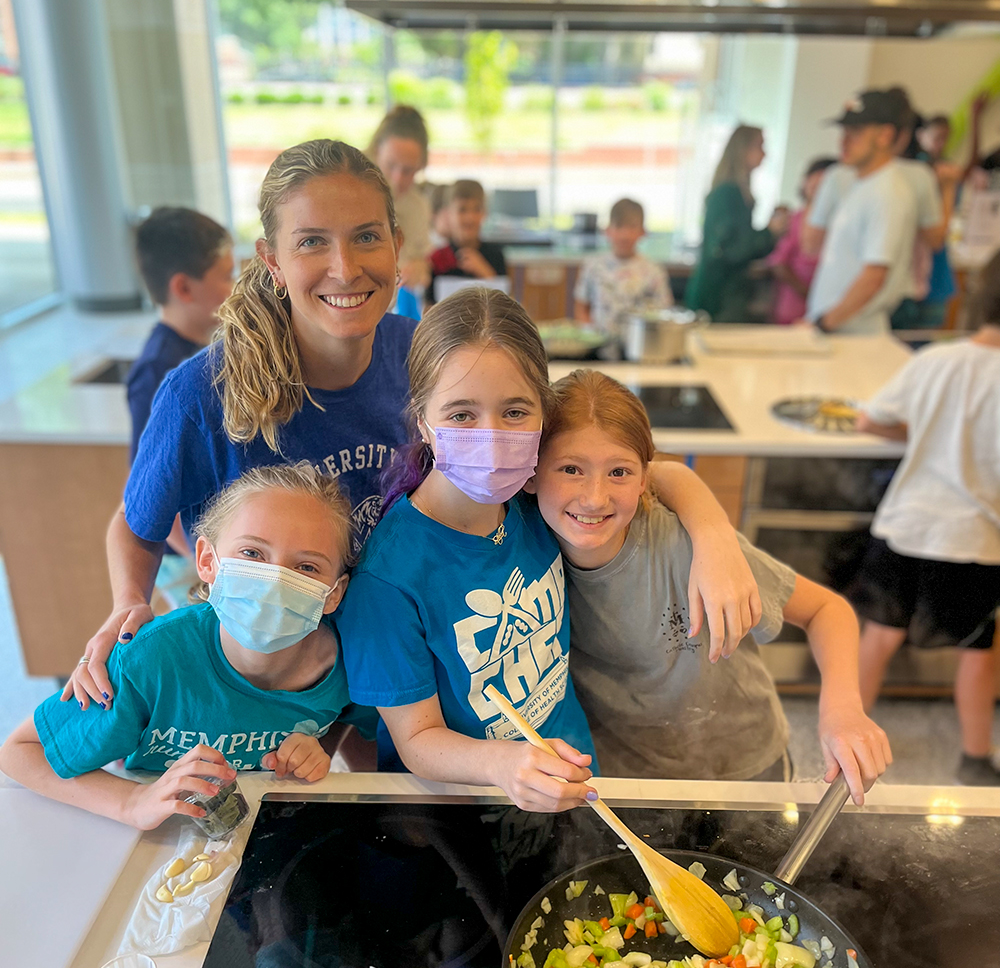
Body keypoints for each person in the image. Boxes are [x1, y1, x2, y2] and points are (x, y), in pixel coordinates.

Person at [336, 288, 766, 811]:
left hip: (578, 782)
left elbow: (657, 473)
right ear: (423, 419)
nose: (492, 439)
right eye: (462, 415)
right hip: (461, 815)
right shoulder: (388, 580)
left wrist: (714, 535)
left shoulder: (533, 501)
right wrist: (500, 763)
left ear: (544, 416)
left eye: (515, 412)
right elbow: (416, 740)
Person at [67, 139, 416, 712]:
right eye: (311, 242)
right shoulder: (200, 393)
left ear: (397, 245)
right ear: (272, 260)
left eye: (367, 236)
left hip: (391, 661)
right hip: (267, 684)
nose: (345, 268)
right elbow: (137, 524)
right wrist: (129, 602)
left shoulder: (422, 357)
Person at [527, 368, 891, 802]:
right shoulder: (520, 551)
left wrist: (843, 711)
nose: (594, 497)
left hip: (747, 764)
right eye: (571, 469)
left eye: (619, 473)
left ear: (645, 477)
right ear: (531, 473)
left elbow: (825, 610)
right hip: (626, 778)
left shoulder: (682, 543)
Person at [0, 464, 364, 827]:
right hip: (162, 847)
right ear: (208, 561)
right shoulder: (152, 658)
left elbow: (349, 726)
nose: (274, 582)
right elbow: (21, 752)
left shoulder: (354, 665)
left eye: (306, 567)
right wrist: (131, 802)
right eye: (252, 554)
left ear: (335, 594)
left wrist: (316, 751)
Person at [850, 250, 1000, 786]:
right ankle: (976, 756)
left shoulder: (938, 359)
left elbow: (871, 419)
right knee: (978, 651)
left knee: (880, 635)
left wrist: (929, 441)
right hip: (975, 540)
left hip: (907, 526)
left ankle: (847, 741)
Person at [128, 206, 234, 599]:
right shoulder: (158, 372)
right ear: (184, 289)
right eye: (225, 276)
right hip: (187, 559)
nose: (234, 285)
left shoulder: (207, 347)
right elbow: (155, 485)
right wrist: (202, 562)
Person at [806, 90, 919, 334]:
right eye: (844, 132)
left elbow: (874, 276)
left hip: (855, 334)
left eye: (855, 133)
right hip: (839, 331)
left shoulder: (888, 193)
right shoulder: (864, 184)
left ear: (885, 135)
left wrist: (824, 323)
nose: (843, 142)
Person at [685, 125, 789, 323]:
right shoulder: (728, 193)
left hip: (726, 294)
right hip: (718, 297)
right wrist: (769, 233)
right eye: (760, 146)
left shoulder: (736, 192)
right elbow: (731, 250)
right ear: (743, 149)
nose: (764, 154)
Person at [891, 112, 960, 331]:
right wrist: (947, 189)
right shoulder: (920, 173)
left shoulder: (934, 169)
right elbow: (937, 236)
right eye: (937, 137)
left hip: (928, 278)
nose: (941, 144)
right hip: (912, 280)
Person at [573, 197, 672, 343]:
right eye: (619, 226)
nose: (625, 235)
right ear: (607, 231)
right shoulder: (593, 266)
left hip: (640, 348)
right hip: (599, 349)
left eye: (632, 227)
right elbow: (581, 306)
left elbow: (663, 313)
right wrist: (589, 332)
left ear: (643, 232)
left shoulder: (654, 271)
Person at [368, 105, 432, 303]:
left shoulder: (417, 207)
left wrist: (421, 269)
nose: (397, 179)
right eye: (391, 166)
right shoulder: (346, 190)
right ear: (376, 151)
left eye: (408, 171)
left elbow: (421, 260)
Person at [767, 158, 836, 326]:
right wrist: (808, 293)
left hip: (827, 311)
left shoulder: (840, 225)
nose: (817, 183)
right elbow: (779, 263)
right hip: (791, 309)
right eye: (813, 177)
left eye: (825, 180)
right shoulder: (793, 220)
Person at [429, 180, 508, 292]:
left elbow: (507, 303)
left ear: (484, 213)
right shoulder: (437, 258)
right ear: (449, 214)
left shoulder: (496, 255)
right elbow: (429, 305)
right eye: (462, 210)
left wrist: (485, 272)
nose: (470, 218)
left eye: (477, 209)